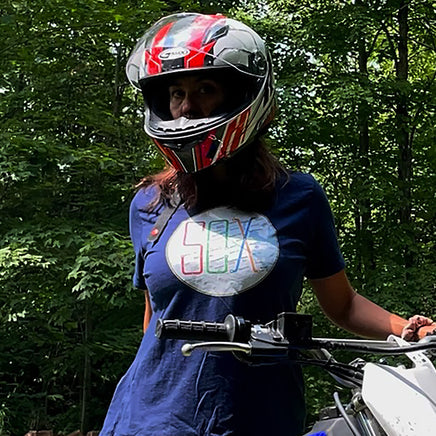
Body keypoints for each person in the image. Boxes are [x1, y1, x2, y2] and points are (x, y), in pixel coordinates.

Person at [101, 13, 435, 436]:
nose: (186, 106)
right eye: (175, 92)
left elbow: (344, 305)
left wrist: (408, 331)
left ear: (243, 95)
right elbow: (156, 318)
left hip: (262, 417)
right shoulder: (150, 203)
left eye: (205, 89)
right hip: (152, 419)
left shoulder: (298, 197)